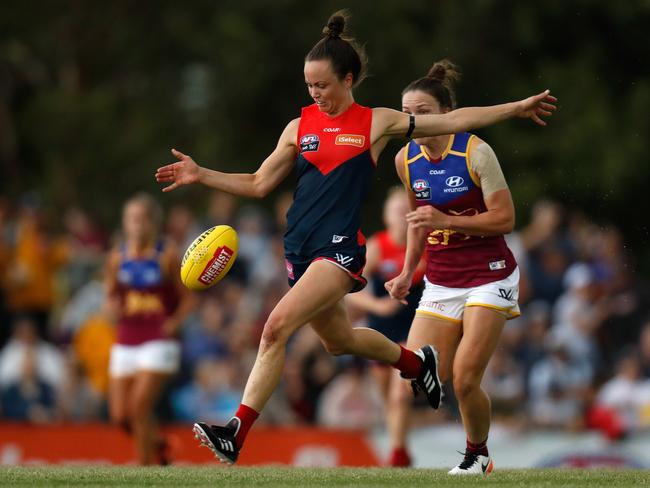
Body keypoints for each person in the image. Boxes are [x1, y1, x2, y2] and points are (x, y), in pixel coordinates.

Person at [155, 11, 556, 465]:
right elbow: (258, 183)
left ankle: (235, 433)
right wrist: (200, 173)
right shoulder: (298, 126)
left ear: (348, 79)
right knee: (339, 341)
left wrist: (515, 107)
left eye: (323, 85)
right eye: (309, 86)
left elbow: (454, 120)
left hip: (338, 251)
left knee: (274, 329)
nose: (315, 95)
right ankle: (416, 364)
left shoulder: (377, 123)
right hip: (299, 252)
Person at [385, 59, 538, 475]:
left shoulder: (475, 151)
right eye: (407, 113)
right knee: (412, 375)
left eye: (423, 112)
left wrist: (447, 221)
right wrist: (405, 272)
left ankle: (478, 455)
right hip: (440, 280)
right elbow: (418, 223)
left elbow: (505, 219)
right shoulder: (406, 159)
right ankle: (433, 368)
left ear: (447, 113)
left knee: (465, 378)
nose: (413, 121)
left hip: (490, 274)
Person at [105, 193, 195, 465]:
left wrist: (175, 322)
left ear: (154, 223)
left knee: (138, 407)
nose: (137, 225)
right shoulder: (116, 257)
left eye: (143, 219)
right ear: (125, 223)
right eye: (132, 219)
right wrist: (111, 307)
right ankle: (160, 446)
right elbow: (110, 294)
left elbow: (189, 296)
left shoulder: (166, 254)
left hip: (158, 339)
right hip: (126, 337)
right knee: (120, 416)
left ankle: (144, 466)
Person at [345, 186, 425, 467]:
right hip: (380, 329)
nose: (401, 215)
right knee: (387, 397)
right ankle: (398, 446)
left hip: (412, 327)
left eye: (406, 210)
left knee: (399, 393)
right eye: (396, 210)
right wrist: (378, 306)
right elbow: (352, 289)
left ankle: (398, 454)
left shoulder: (423, 248)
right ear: (386, 215)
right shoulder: (378, 247)